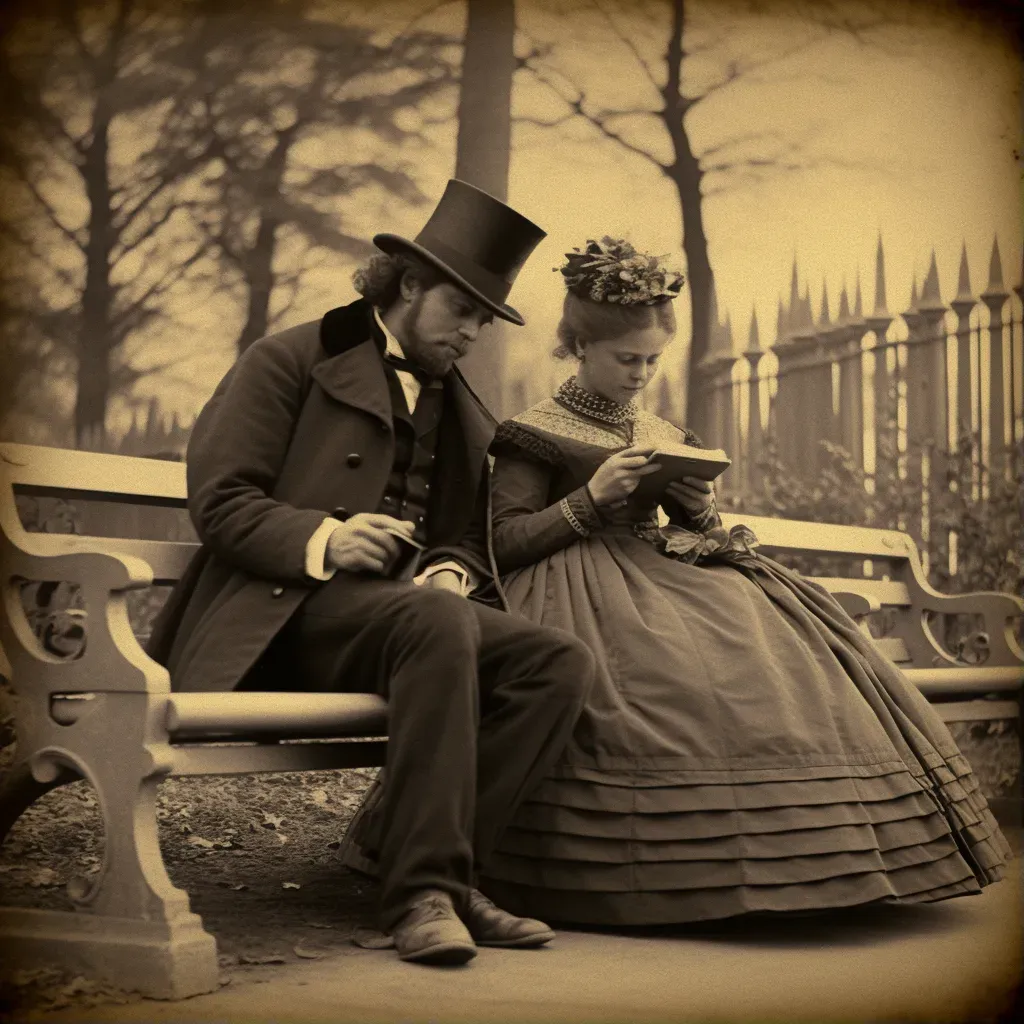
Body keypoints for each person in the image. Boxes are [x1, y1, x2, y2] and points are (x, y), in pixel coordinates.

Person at [475, 236, 1011, 926]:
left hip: (668, 575)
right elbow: (503, 541)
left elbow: (692, 524)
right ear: (578, 344)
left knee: (779, 646)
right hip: (579, 591)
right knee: (672, 679)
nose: (640, 374)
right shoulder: (531, 432)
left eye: (652, 360)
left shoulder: (661, 427)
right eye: (625, 360)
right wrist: (589, 500)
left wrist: (698, 508)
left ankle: (811, 855)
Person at [146, 181, 597, 965]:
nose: (472, 333)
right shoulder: (290, 358)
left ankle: (451, 879)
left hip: (400, 626)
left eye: (485, 319)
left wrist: (452, 571)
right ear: (409, 284)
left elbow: (461, 532)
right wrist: (325, 537)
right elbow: (219, 503)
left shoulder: (457, 405)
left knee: (556, 662)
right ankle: (421, 893)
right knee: (436, 623)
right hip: (275, 619)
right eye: (461, 309)